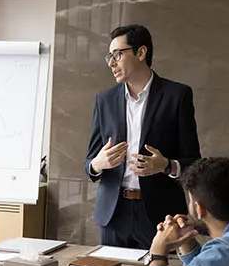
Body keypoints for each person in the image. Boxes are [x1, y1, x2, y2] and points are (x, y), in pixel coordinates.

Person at [85, 24, 201, 249]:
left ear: (141, 53)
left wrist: (167, 165)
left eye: (117, 54)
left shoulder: (177, 96)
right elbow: (89, 162)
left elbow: (194, 163)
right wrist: (98, 164)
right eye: (109, 56)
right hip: (113, 215)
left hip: (161, 217)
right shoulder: (104, 100)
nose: (111, 62)